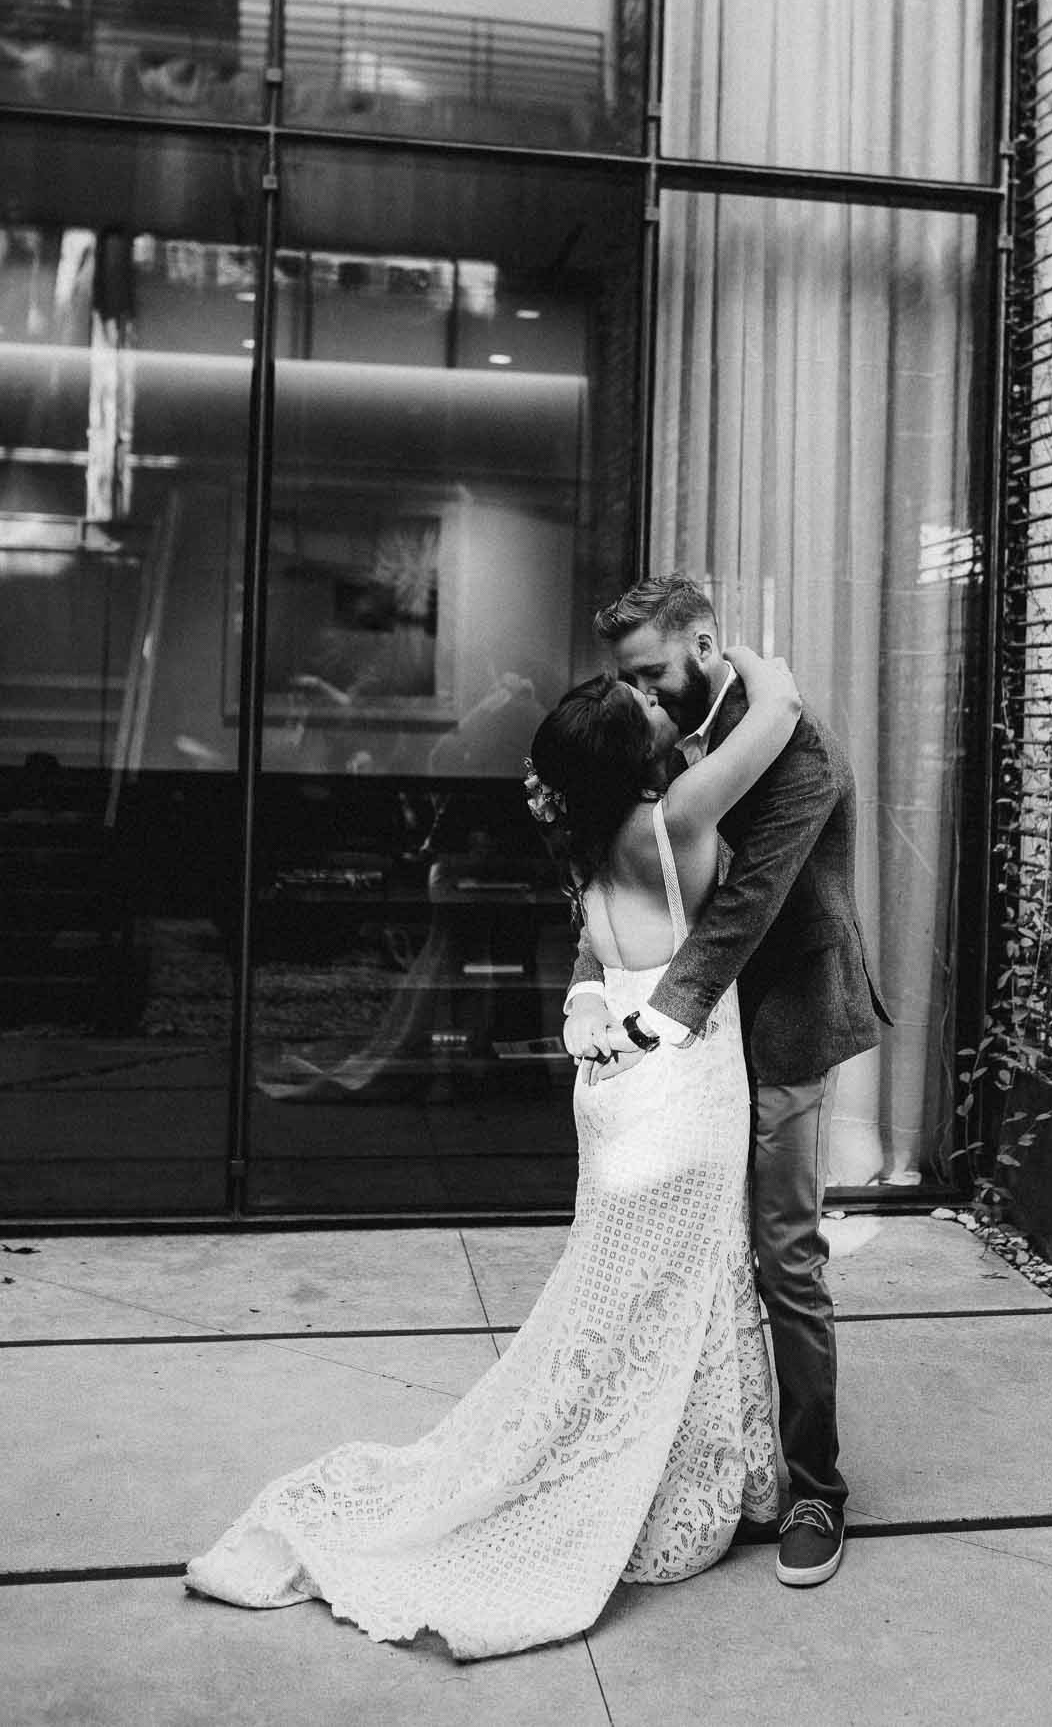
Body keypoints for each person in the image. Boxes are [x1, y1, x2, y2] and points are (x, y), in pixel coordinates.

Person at [186, 643, 801, 1660]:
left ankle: (623, 1458)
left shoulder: (593, 840)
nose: (655, 703)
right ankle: (672, 1486)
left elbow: (597, 962)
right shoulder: (676, 823)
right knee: (686, 1294)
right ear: (636, 756)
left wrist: (584, 1001)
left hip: (609, 1095)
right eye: (641, 704)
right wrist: (723, 655)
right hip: (685, 1095)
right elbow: (775, 708)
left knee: (609, 1307)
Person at [564, 576, 889, 1590]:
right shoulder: (652, 735)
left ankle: (811, 1492)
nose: (642, 702)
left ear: (704, 644)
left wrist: (654, 1023)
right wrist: (586, 987)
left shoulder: (799, 755)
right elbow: (619, 871)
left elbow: (742, 904)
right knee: (685, 1255)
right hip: (694, 1043)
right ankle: (703, 1463)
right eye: (626, 682)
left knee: (783, 1255)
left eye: (652, 675)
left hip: (780, 1022)